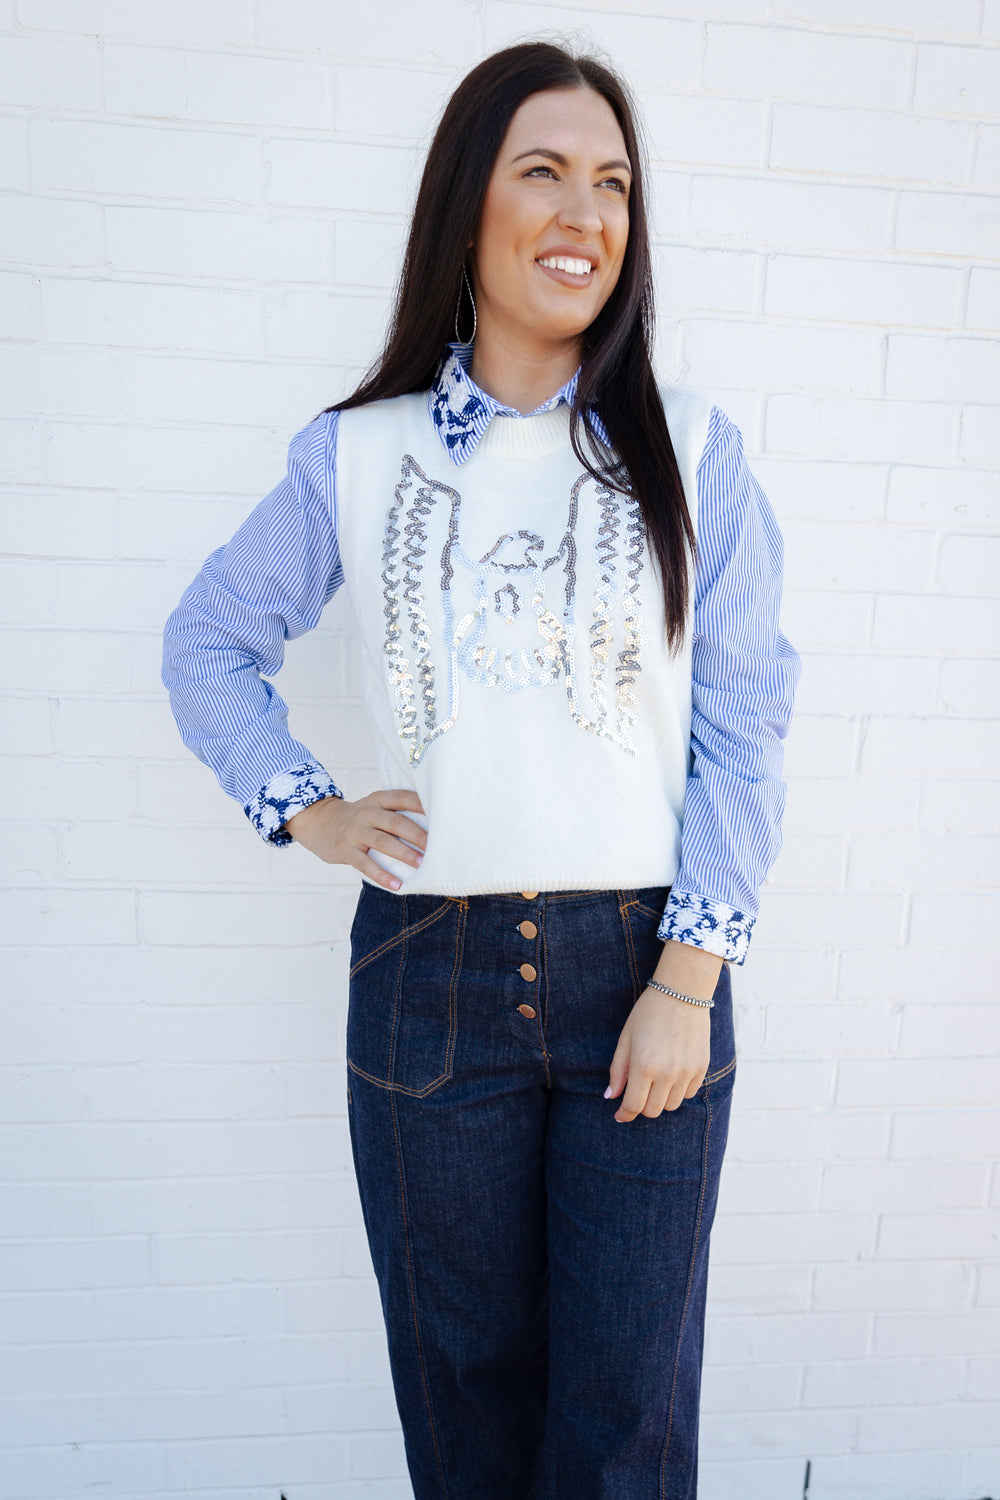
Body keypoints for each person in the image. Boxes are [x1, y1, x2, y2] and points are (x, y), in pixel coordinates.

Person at [162, 39, 799, 1500]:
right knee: (464, 1411)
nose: (586, 215)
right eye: (545, 174)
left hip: (646, 977)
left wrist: (686, 983)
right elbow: (208, 643)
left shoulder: (692, 452)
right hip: (425, 980)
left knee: (623, 1428)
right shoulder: (358, 455)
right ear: (469, 206)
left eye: (614, 186)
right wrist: (310, 813)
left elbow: (746, 724)